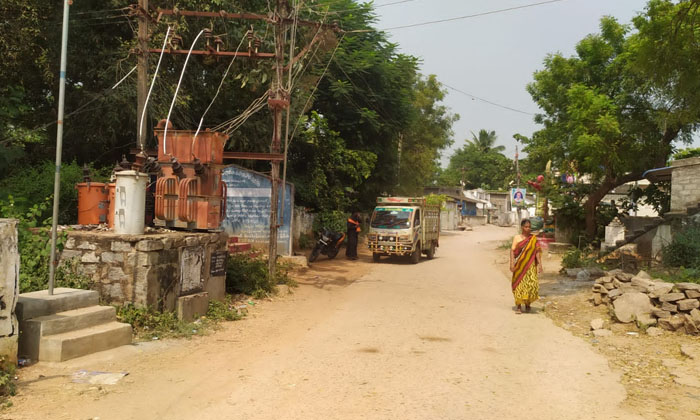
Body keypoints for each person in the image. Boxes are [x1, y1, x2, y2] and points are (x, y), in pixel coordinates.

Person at [509, 219, 542, 313]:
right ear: (522, 227)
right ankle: (519, 306)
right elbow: (512, 251)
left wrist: (540, 265)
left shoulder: (533, 239)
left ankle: (528, 304)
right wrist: (511, 264)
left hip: (530, 266)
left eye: (529, 227)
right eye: (526, 227)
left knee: (531, 285)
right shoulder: (517, 238)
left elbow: (537, 252)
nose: (528, 229)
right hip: (519, 266)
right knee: (519, 285)